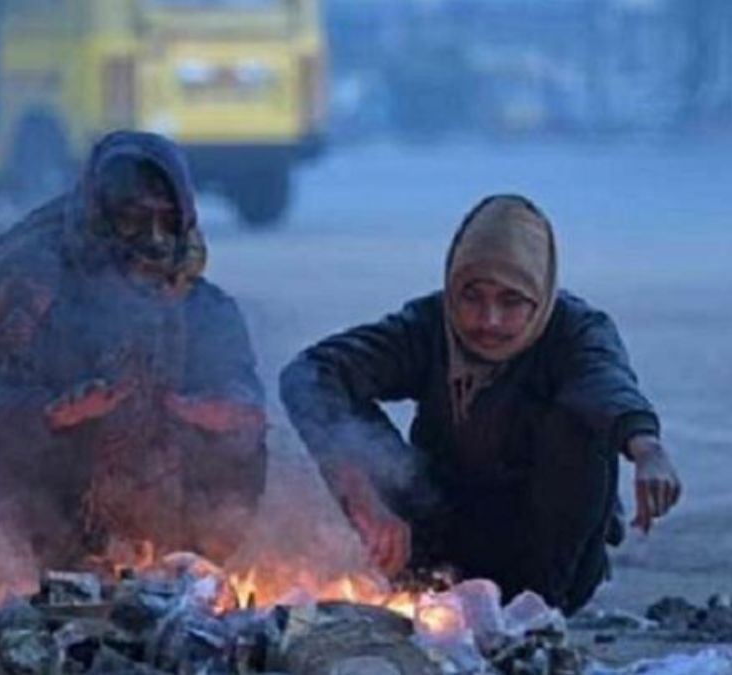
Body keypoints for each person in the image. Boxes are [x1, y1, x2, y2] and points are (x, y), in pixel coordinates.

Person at [280, 195, 681, 614]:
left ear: (539, 296)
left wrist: (645, 445)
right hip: (440, 544)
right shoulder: (429, 325)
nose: (488, 321)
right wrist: (361, 495)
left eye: (511, 302)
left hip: (543, 556)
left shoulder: (573, 331)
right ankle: (426, 589)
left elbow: (603, 383)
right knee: (351, 429)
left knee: (576, 427)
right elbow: (313, 373)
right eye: (472, 297)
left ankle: (535, 616)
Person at [0, 131, 266, 568]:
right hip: (36, 498)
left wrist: (225, 411)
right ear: (100, 216)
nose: (153, 240)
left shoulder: (202, 304)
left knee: (236, 441)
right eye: (132, 219)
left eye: (166, 221)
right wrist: (54, 413)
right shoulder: (27, 285)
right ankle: (27, 575)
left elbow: (238, 387)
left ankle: (176, 569)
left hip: (146, 496)